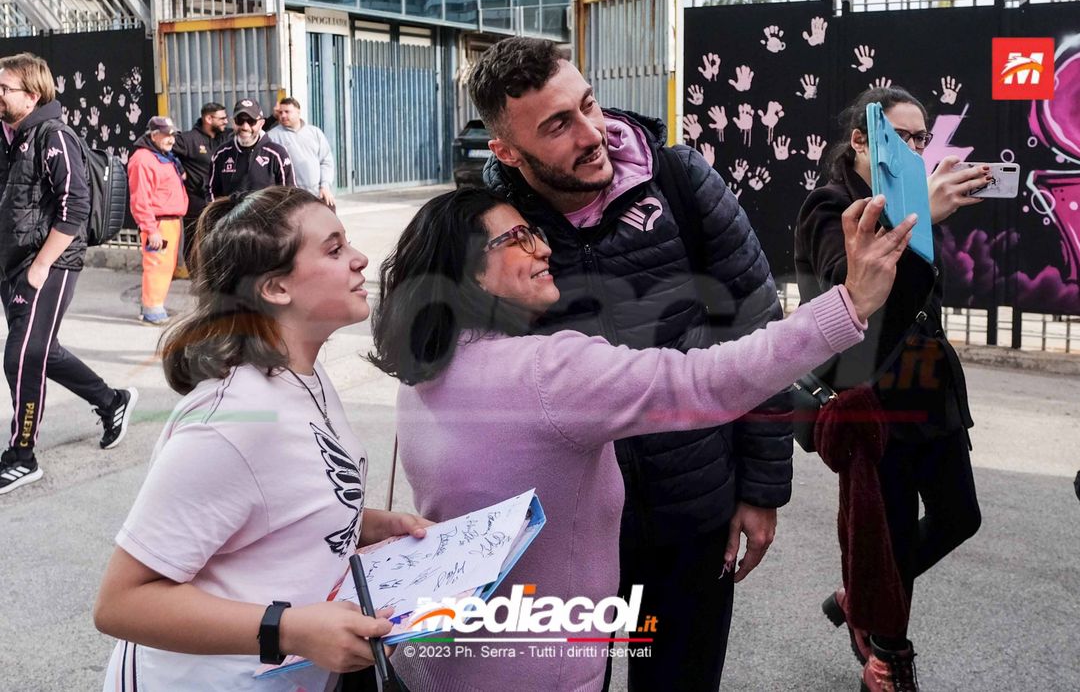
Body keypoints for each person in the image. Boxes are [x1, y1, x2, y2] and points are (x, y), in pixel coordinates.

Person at [369, 187, 915, 692]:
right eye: (517, 238)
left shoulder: (424, 375)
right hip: (543, 668)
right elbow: (706, 381)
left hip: (447, 658)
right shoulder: (547, 370)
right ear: (468, 271)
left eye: (535, 233)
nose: (542, 248)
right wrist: (850, 303)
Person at [470, 36, 791, 690]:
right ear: (505, 150)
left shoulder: (679, 179)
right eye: (559, 125)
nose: (593, 134)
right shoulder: (486, 224)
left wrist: (760, 489)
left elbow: (760, 332)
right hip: (560, 528)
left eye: (588, 104)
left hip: (692, 512)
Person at [94, 186, 432, 691]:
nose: (361, 259)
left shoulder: (303, 375)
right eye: (335, 249)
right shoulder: (232, 421)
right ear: (275, 288)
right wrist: (289, 629)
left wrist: (362, 523)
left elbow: (277, 500)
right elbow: (121, 603)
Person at [794, 86, 988, 692]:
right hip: (874, 393)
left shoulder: (909, 198)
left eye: (921, 137)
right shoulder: (831, 206)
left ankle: (860, 598)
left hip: (932, 390)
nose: (914, 147)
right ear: (861, 140)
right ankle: (886, 656)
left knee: (960, 516)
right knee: (892, 530)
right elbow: (848, 299)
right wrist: (917, 217)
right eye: (902, 135)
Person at [0, 52, 137, 495]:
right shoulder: (10, 136)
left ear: (32, 94)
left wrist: (40, 267)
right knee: (42, 351)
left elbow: (74, 206)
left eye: (5, 89)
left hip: (49, 263)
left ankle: (22, 456)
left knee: (20, 356)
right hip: (13, 263)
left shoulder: (53, 135)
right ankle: (111, 400)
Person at [127, 115, 188, 325]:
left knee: (166, 266)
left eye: (173, 135)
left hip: (170, 221)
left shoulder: (162, 156)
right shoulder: (143, 159)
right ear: (154, 135)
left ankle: (155, 304)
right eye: (167, 135)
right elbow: (140, 198)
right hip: (159, 223)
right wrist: (150, 228)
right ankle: (152, 309)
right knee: (157, 265)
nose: (172, 139)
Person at [172, 101, 229, 270]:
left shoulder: (226, 137)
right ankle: (196, 279)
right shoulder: (188, 140)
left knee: (220, 241)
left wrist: (270, 119)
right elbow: (163, 149)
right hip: (196, 202)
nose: (226, 121)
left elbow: (248, 130)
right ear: (209, 118)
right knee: (193, 243)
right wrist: (180, 168)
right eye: (222, 118)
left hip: (219, 201)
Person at [207, 99, 294, 200]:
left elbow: (289, 193)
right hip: (231, 215)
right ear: (233, 122)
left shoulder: (277, 154)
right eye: (239, 120)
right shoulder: (221, 154)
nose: (245, 127)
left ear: (261, 123)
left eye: (251, 121)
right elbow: (211, 191)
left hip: (267, 215)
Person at [266, 97, 336, 208]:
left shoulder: (315, 133)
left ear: (298, 112)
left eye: (287, 112)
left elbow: (326, 162)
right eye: (280, 112)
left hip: (317, 195)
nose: (283, 115)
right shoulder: (272, 136)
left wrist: (325, 186)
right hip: (290, 199)